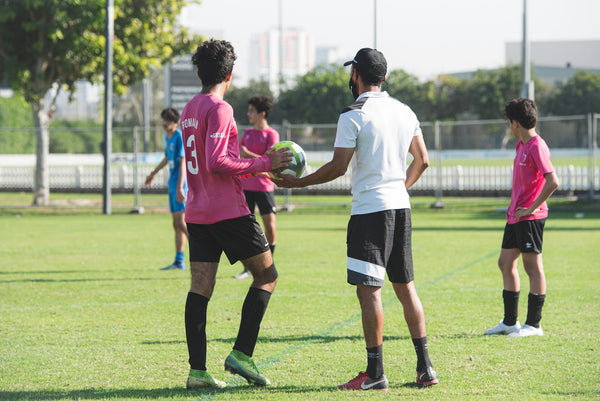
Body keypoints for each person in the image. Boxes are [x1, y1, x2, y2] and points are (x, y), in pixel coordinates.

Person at [274, 48, 438, 391]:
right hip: (400, 209)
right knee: (406, 289)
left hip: (369, 213)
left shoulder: (353, 114)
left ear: (356, 75)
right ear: (384, 77)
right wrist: (396, 188)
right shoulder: (404, 111)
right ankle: (425, 369)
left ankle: (375, 373)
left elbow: (337, 167)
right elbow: (422, 161)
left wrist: (297, 182)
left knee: (370, 293)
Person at [179, 39, 291, 389]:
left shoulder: (188, 109)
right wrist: (265, 163)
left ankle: (197, 372)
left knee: (200, 288)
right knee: (267, 276)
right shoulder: (220, 108)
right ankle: (241, 354)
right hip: (228, 211)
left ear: (199, 72)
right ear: (230, 74)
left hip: (196, 212)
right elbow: (218, 161)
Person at [484, 98, 559, 338]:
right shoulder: (521, 145)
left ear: (515, 122)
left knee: (532, 267)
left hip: (530, 217)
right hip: (515, 216)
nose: (509, 126)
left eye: (509, 122)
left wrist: (530, 208)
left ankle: (534, 325)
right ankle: (509, 322)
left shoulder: (537, 145)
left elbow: (553, 181)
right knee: (505, 263)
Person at [234, 95, 280, 280]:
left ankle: (270, 263)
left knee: (269, 225)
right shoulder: (248, 134)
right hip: (246, 185)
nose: (248, 114)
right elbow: (240, 157)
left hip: (265, 186)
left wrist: (248, 154)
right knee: (246, 228)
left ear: (262, 114)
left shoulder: (272, 135)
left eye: (252, 111)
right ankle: (248, 268)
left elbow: (271, 162)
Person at [145, 107, 188, 270]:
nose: (164, 123)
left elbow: (183, 162)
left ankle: (201, 248)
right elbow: (167, 158)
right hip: (173, 183)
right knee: (176, 224)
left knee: (181, 222)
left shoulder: (179, 137)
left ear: (175, 123)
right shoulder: (168, 138)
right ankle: (179, 261)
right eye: (164, 120)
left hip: (180, 184)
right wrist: (153, 173)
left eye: (168, 121)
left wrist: (180, 187)